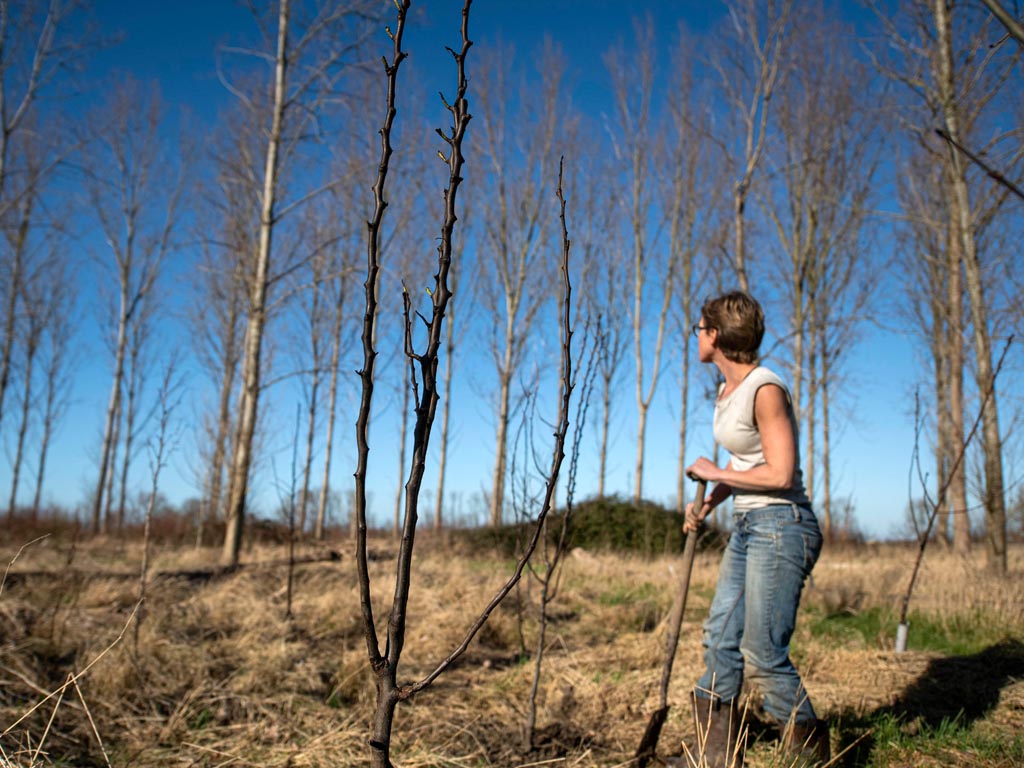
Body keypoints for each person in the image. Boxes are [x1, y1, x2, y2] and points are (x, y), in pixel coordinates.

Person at [682, 291, 829, 768]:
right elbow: (746, 462)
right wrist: (707, 503)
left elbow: (781, 474)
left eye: (700, 329)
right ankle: (716, 757)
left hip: (783, 526)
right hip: (749, 523)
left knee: (762, 653)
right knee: (720, 637)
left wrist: (715, 473)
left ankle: (811, 755)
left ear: (717, 337)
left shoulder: (765, 389)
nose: (697, 337)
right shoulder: (728, 392)